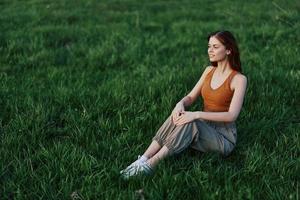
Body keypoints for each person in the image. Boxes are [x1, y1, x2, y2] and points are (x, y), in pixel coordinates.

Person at [120, 30, 247, 179]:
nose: (210, 50)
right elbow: (191, 96)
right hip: (203, 127)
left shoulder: (239, 79)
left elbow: (232, 115)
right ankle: (142, 159)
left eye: (215, 47)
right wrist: (180, 104)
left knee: (190, 121)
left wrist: (196, 114)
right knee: (179, 115)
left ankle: (150, 165)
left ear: (228, 50)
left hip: (223, 137)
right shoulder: (209, 71)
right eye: (209, 46)